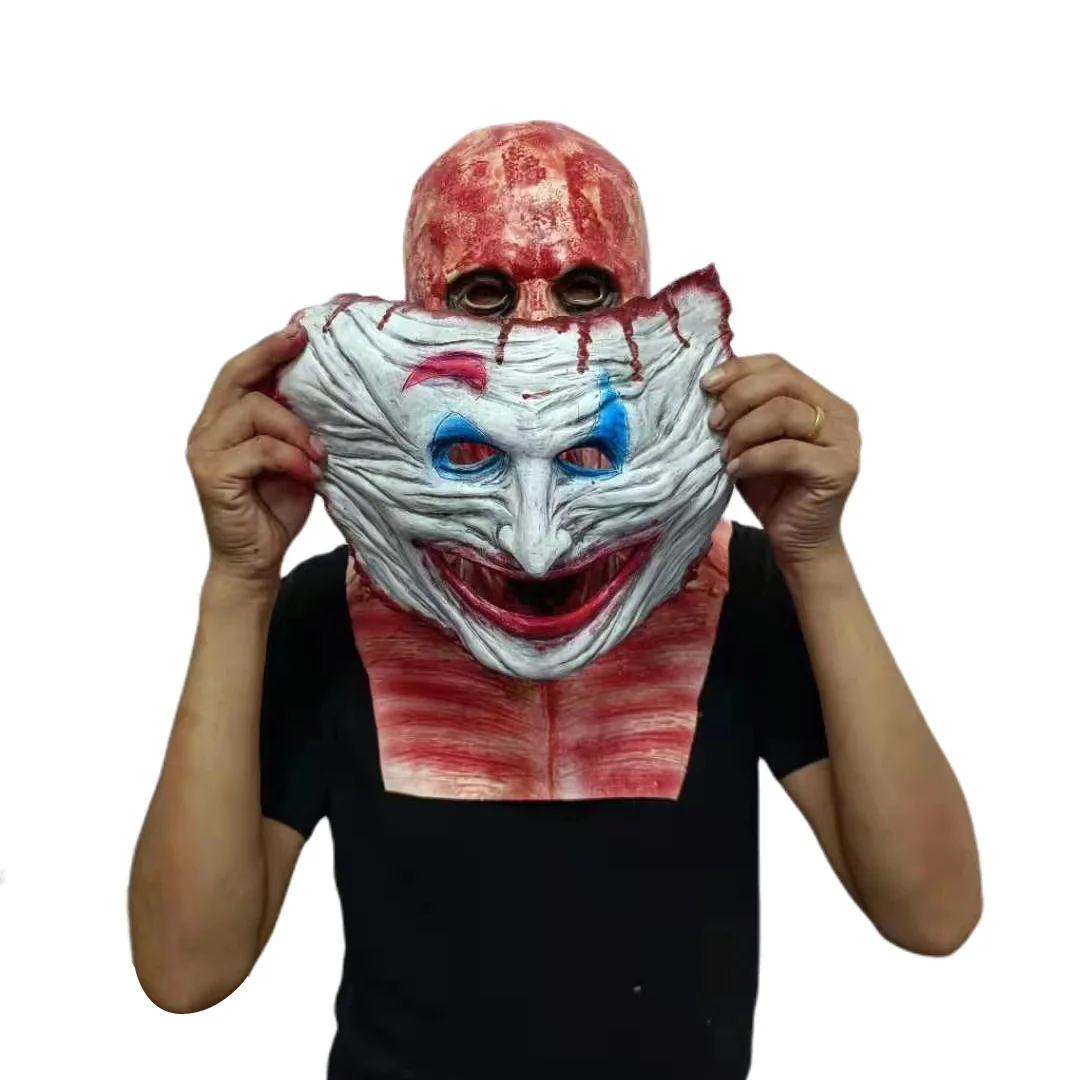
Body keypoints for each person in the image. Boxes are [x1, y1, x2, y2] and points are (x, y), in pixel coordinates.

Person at [128, 121, 982, 1079]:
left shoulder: (737, 595)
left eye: (585, 290)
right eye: (482, 292)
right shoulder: (331, 615)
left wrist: (814, 554)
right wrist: (238, 582)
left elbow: (934, 914)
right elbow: (186, 970)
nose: (535, 332)